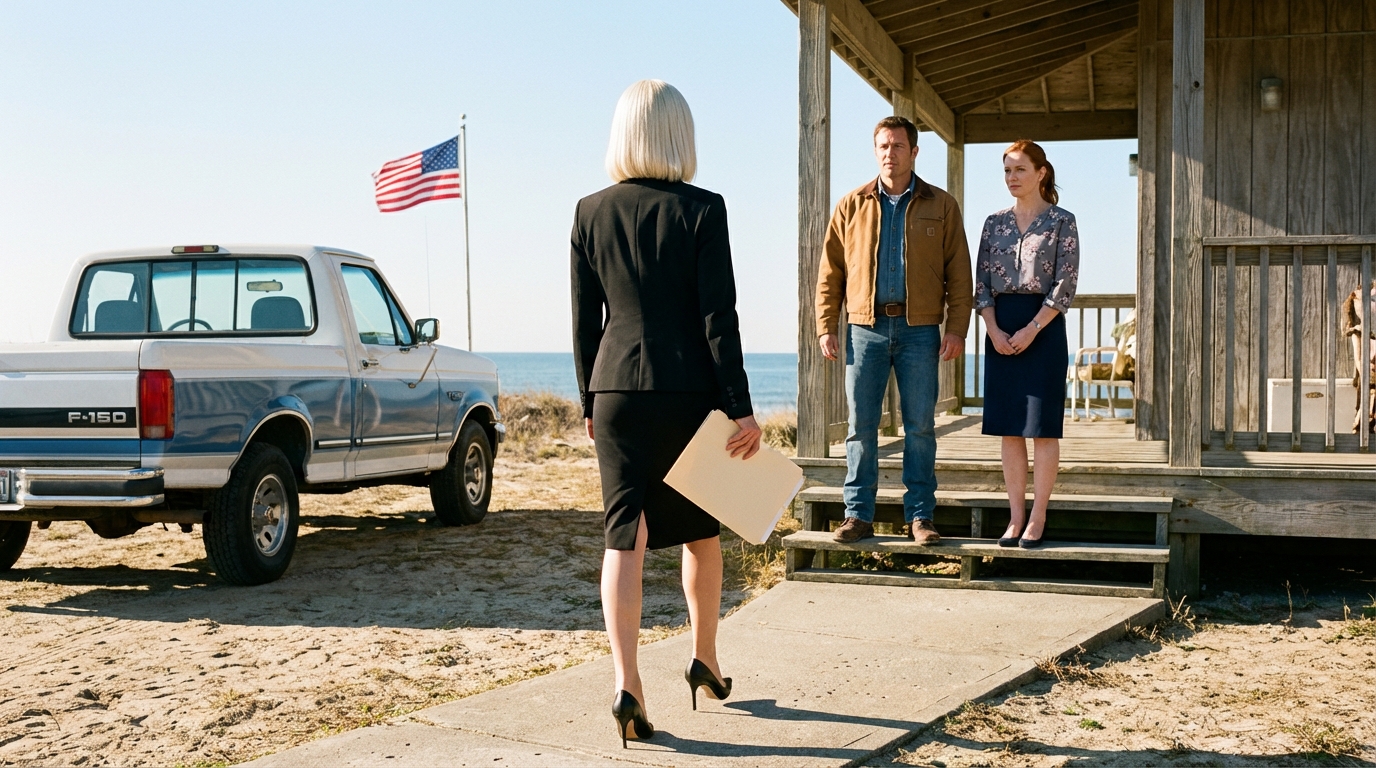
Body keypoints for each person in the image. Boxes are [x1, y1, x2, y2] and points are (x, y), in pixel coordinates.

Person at [571, 79, 761, 748]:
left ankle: (627, 683)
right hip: (687, 390)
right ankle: (705, 659)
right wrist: (740, 408)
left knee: (625, 534)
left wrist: (589, 401)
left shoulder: (589, 211)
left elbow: (584, 324)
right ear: (680, 134)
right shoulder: (704, 210)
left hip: (616, 390)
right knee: (700, 530)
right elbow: (719, 319)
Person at [816, 115, 973, 545]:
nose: (890, 153)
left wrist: (957, 327)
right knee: (860, 425)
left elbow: (960, 274)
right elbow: (830, 273)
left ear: (914, 152)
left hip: (920, 330)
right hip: (863, 328)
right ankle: (857, 515)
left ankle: (920, 517)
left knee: (920, 426)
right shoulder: (851, 205)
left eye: (898, 146)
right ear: (875, 151)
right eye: (883, 146)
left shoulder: (941, 205)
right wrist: (826, 326)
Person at [975, 139, 1080, 548]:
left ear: (1041, 173)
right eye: (1006, 170)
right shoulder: (993, 222)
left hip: (1044, 327)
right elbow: (981, 283)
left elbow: (1065, 284)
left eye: (1019, 169)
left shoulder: (1062, 221)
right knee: (1009, 429)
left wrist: (1032, 329)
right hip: (1000, 327)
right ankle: (1015, 518)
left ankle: (1038, 518)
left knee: (1042, 429)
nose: (1012, 178)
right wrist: (993, 329)